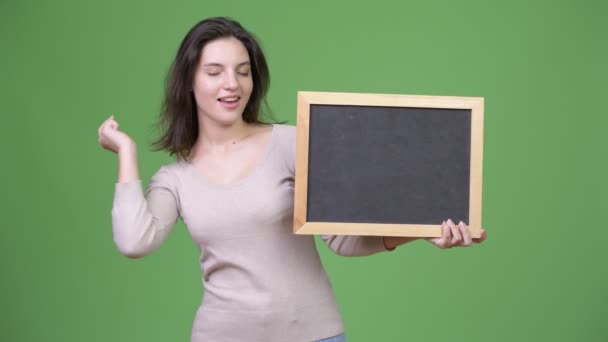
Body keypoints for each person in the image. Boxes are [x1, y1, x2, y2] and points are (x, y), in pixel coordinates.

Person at [97, 16, 486, 342]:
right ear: (189, 83)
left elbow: (343, 238)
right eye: (215, 72)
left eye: (243, 71)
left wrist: (419, 229)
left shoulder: (291, 143)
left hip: (315, 335)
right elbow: (135, 240)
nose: (232, 84)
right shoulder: (175, 179)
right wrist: (126, 153)